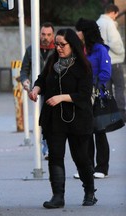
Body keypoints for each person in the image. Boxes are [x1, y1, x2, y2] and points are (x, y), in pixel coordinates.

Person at [29, 28, 97, 208]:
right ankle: (58, 196)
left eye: (62, 44)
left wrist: (62, 97)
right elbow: (42, 79)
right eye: (56, 44)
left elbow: (84, 94)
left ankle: (89, 191)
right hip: (54, 119)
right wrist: (36, 89)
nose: (58, 48)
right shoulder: (53, 60)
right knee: (55, 157)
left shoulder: (83, 66)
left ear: (72, 45)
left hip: (78, 119)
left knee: (81, 157)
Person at [75, 18, 112, 180]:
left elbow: (106, 73)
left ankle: (102, 167)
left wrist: (92, 83)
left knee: (99, 132)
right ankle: (87, 167)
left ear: (86, 32)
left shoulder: (100, 50)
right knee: (85, 133)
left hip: (97, 96)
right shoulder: (79, 49)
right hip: (82, 97)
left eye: (79, 30)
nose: (76, 33)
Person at [20, 22, 56, 160]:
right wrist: (25, 81)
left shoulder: (59, 50)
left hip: (56, 89)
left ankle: (54, 147)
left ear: (53, 35)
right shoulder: (32, 50)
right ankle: (47, 148)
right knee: (45, 120)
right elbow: (24, 70)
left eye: (48, 34)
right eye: (43, 34)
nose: (45, 37)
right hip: (40, 89)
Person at [97, 3, 126, 122]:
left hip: (102, 63)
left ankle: (107, 116)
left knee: (105, 89)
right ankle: (121, 115)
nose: (115, 18)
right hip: (114, 61)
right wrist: (121, 52)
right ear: (113, 13)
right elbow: (115, 43)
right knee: (119, 88)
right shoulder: (109, 23)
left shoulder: (98, 23)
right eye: (116, 16)